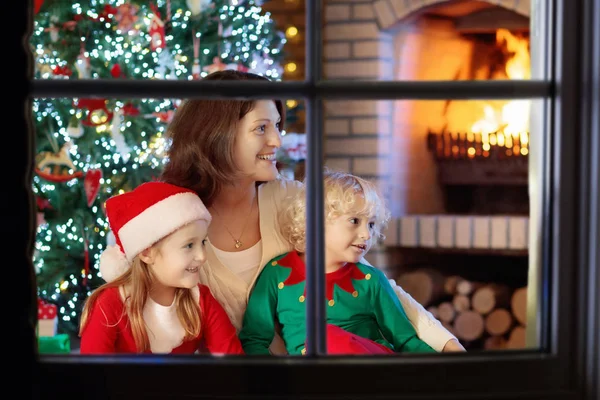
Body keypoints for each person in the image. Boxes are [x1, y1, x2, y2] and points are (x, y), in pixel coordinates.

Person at [158, 69, 465, 354]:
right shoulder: (171, 219)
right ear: (217, 136)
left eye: (277, 126)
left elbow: (371, 281)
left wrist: (448, 347)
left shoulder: (295, 200)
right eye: (261, 128)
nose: (277, 140)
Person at [239, 170, 437, 355]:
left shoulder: (371, 280)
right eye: (354, 221)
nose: (367, 234)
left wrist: (442, 369)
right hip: (312, 381)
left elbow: (406, 340)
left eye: (371, 224)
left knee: (324, 338)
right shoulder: (277, 273)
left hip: (375, 370)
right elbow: (253, 339)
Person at [79, 181, 244, 355]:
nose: (202, 256)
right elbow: (91, 376)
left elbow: (234, 364)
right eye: (189, 245)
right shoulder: (108, 305)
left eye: (203, 242)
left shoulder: (201, 300)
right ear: (147, 253)